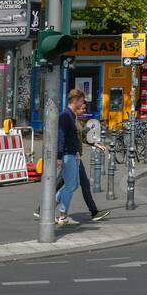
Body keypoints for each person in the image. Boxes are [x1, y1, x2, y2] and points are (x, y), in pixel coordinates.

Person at [54, 89, 90, 225]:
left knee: (75, 184)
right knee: (70, 185)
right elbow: (61, 136)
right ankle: (63, 215)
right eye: (81, 101)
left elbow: (72, 137)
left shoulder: (71, 115)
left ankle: (53, 202)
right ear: (74, 100)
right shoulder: (65, 115)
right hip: (66, 155)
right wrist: (59, 156)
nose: (82, 104)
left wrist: (77, 152)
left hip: (72, 154)